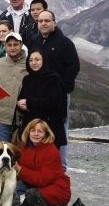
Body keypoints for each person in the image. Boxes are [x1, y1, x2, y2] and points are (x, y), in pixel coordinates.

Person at [30, 10, 80, 168]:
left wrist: (61, 87)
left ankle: (60, 166)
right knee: (40, 128)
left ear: (54, 23)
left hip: (58, 95)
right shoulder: (35, 40)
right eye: (40, 21)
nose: (43, 23)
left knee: (59, 130)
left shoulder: (64, 42)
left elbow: (74, 66)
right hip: (40, 93)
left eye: (47, 21)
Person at [12, 119, 71, 206]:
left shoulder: (51, 150)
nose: (36, 134)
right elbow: (16, 171)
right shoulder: (24, 148)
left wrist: (21, 170)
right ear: (28, 132)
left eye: (40, 131)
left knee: (32, 194)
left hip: (56, 190)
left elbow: (43, 179)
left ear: (46, 134)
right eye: (33, 130)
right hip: (36, 190)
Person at [17, 49, 67, 149]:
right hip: (30, 128)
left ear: (44, 60)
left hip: (49, 128)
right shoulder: (27, 79)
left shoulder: (53, 79)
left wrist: (29, 101)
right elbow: (21, 98)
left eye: (37, 59)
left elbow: (53, 102)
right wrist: (20, 105)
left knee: (47, 161)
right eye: (30, 60)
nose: (33, 63)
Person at [0, 32, 28, 142]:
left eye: (15, 44)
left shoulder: (29, 64)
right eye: (9, 45)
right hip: (1, 119)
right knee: (1, 154)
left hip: (23, 119)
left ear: (21, 45)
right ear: (5, 46)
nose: (12, 48)